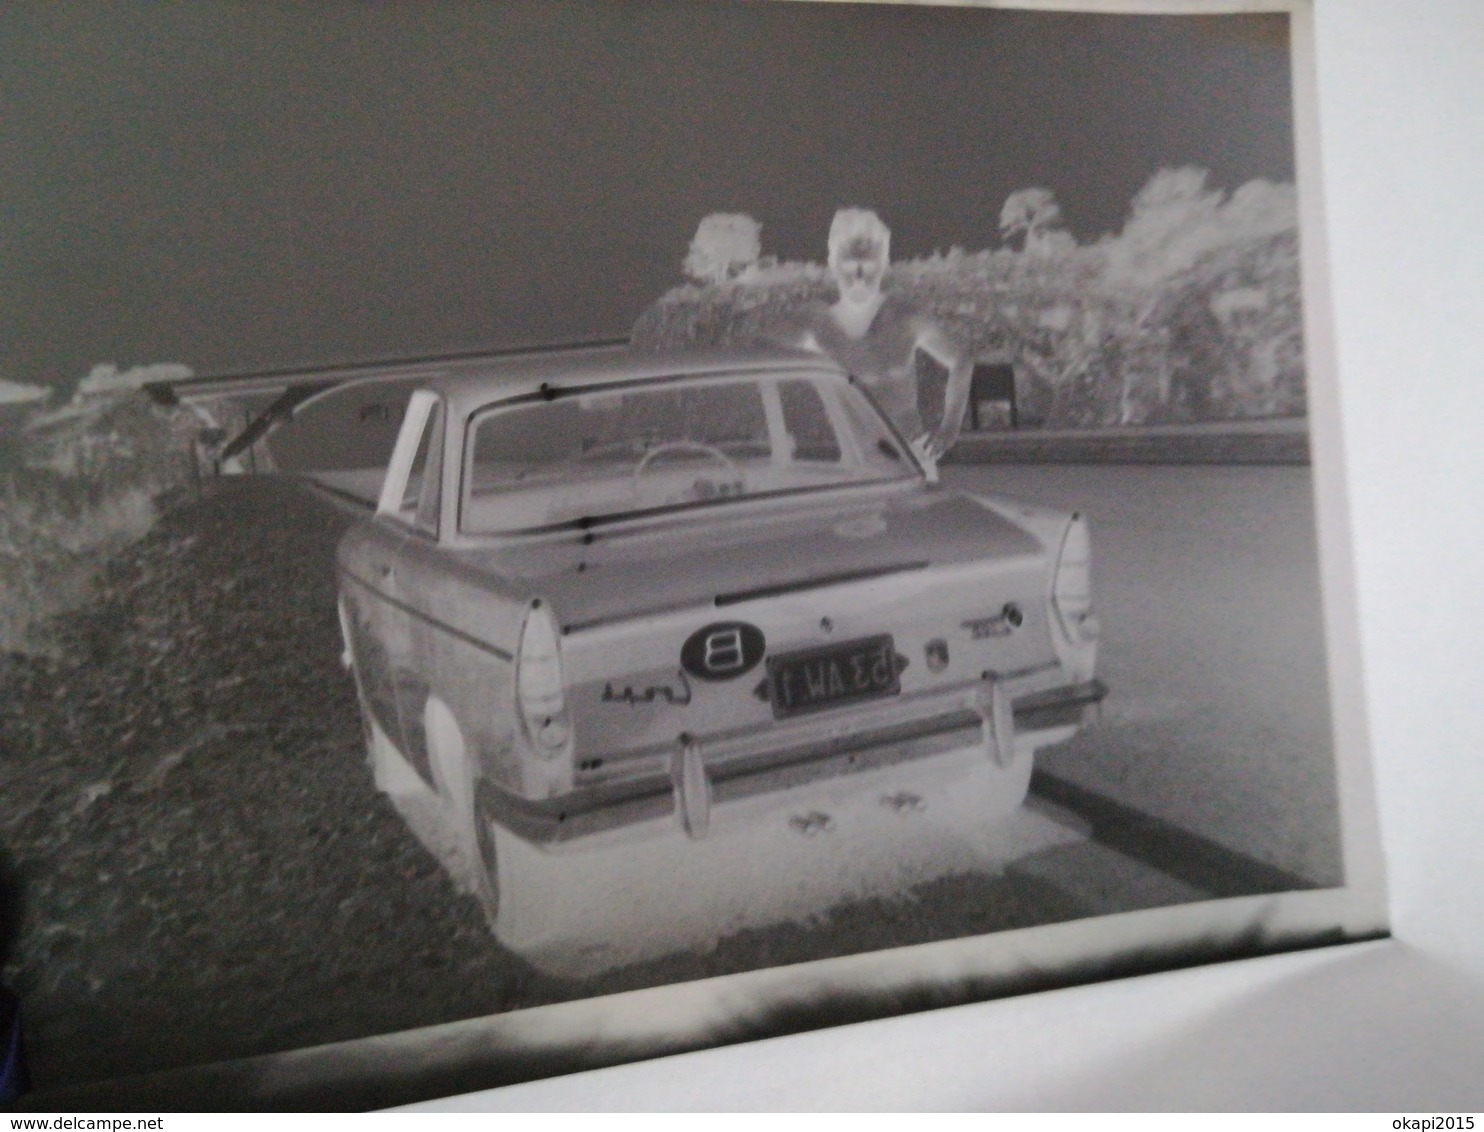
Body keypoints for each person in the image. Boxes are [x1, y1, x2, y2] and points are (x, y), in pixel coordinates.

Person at [772, 208, 974, 462]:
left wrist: (951, 426)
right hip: (849, 460)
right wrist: (778, 433)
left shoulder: (906, 316)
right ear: (833, 265)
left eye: (868, 266)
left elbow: (962, 359)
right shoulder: (815, 323)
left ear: (882, 265)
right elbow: (763, 365)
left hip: (910, 456)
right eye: (850, 265)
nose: (859, 277)